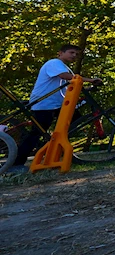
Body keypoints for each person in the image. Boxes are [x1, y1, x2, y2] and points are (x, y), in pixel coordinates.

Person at [10, 44, 101, 173]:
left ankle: (59, 149)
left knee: (76, 121)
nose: (74, 56)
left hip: (58, 104)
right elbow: (66, 77)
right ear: (60, 53)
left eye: (76, 54)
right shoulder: (54, 63)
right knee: (36, 134)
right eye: (71, 52)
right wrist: (90, 80)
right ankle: (16, 164)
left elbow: (70, 84)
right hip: (44, 104)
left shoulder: (64, 67)